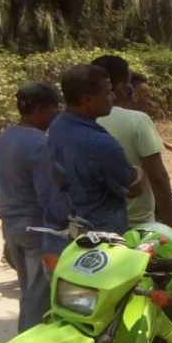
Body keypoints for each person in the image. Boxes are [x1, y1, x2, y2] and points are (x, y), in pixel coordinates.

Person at [43, 64, 143, 258]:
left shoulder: (57, 126)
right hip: (100, 244)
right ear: (87, 100)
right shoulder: (101, 144)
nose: (113, 97)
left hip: (63, 237)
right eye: (107, 93)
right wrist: (138, 172)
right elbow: (133, 188)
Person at [0, 82, 62, 332]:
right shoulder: (39, 144)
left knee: (27, 291)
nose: (57, 115)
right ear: (40, 109)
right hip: (34, 227)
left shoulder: (4, 137)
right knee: (41, 296)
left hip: (10, 224)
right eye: (54, 109)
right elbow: (45, 195)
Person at [92, 55, 172, 227]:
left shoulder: (72, 122)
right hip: (136, 224)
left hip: (91, 225)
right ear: (123, 87)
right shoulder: (138, 120)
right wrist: (169, 223)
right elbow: (158, 177)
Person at [128, 73, 172, 155]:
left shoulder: (109, 116)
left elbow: (150, 137)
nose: (149, 100)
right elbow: (155, 165)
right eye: (146, 96)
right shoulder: (140, 120)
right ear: (135, 97)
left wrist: (169, 146)